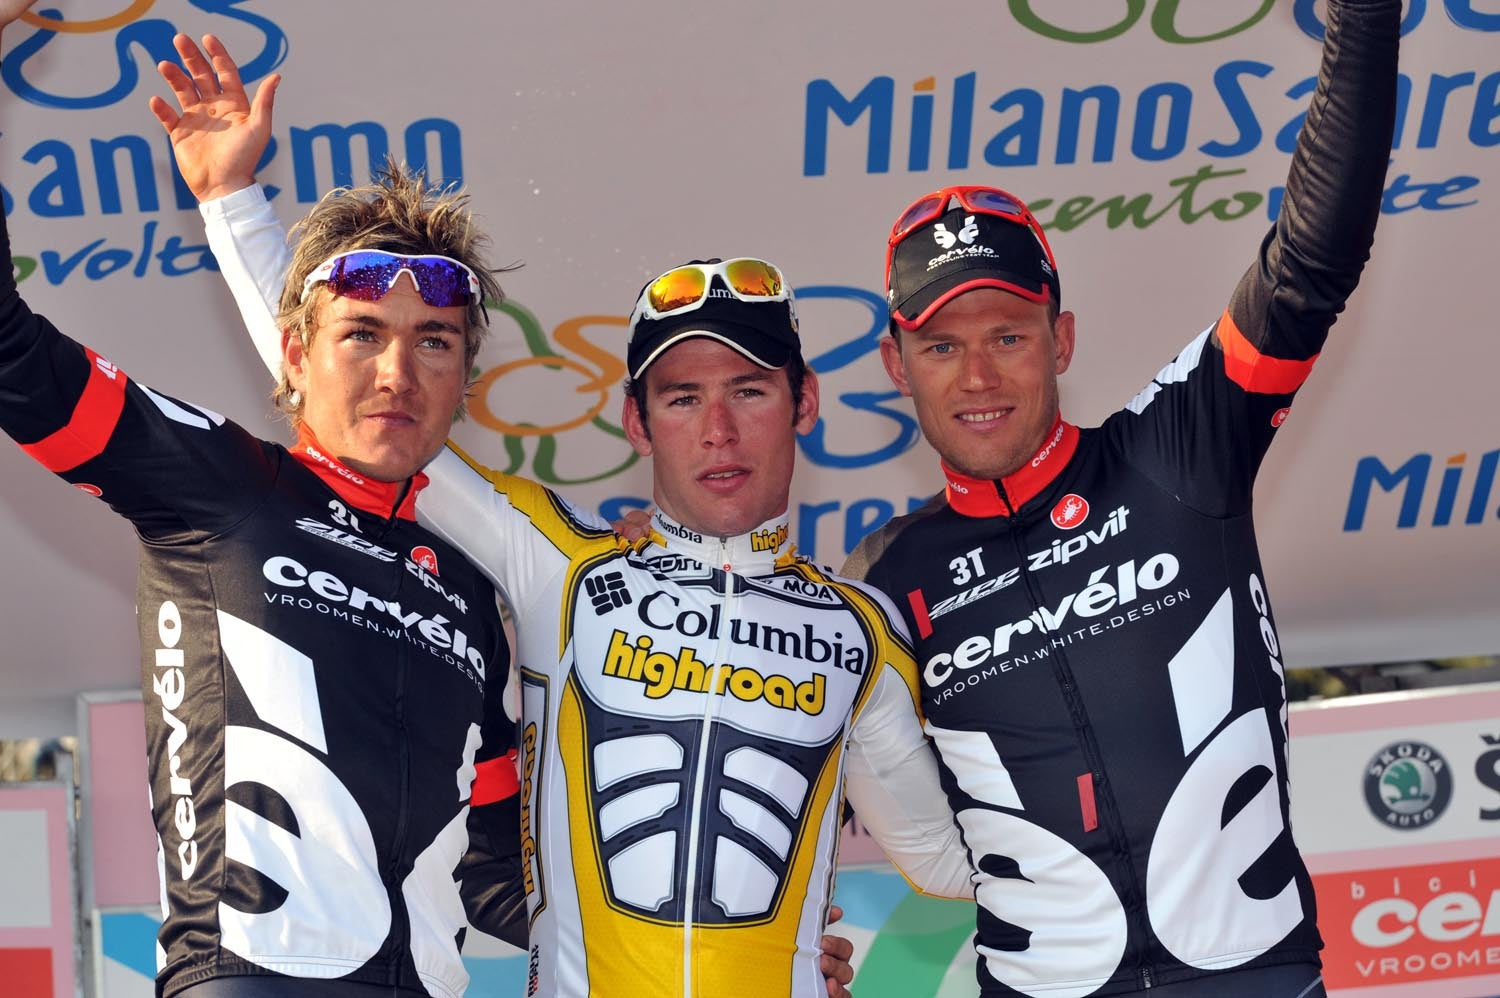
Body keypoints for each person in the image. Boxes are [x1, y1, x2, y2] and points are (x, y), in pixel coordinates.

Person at [152, 34, 974, 998]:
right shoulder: (562, 564)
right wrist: (230, 202)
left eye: (749, 391)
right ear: (636, 419)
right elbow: (349, 398)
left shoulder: (857, 631)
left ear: (805, 403)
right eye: (679, 398)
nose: (717, 429)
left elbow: (951, 862)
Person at [842, 2, 1400, 996]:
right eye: (940, 344)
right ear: (896, 363)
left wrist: (1362, 18)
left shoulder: (1177, 451)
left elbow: (1312, 261)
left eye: (1007, 335)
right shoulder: (887, 578)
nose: (976, 375)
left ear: (1060, 340)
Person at [0, 5, 523, 998]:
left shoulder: (469, 591)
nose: (396, 371)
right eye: (361, 333)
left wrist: (747, 937)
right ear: (295, 355)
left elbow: (500, 873)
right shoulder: (220, 483)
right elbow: (12, 357)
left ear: (466, 379)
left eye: (434, 342)